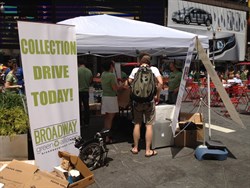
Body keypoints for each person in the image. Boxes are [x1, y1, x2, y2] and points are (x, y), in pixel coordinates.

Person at [127, 53, 163, 157]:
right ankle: (148, 150)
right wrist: (157, 95)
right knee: (149, 126)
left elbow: (129, 82)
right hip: (149, 101)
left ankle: (135, 148)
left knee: (137, 124)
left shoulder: (135, 70)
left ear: (140, 61)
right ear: (149, 61)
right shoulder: (154, 69)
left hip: (137, 101)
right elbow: (160, 83)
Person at [101, 60, 124, 143]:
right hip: (111, 98)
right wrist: (122, 85)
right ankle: (107, 137)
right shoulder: (111, 75)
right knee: (110, 118)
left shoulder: (103, 74)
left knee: (106, 118)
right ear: (111, 66)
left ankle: (104, 136)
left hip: (104, 97)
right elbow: (115, 88)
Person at [78, 60, 93, 134]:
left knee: (79, 107)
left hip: (78, 91)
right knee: (86, 106)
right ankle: (87, 122)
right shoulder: (89, 71)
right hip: (86, 90)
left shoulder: (76, 70)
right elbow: (90, 81)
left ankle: (80, 122)